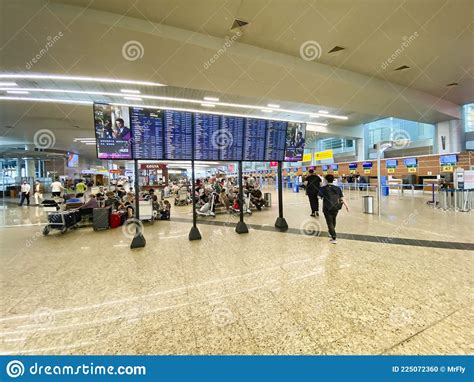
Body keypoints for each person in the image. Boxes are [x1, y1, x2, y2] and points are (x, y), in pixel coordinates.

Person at [319, 174, 349, 244]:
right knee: (333, 220)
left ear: (325, 180)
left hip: (327, 207)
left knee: (329, 222)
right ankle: (331, 232)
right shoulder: (337, 188)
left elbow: (319, 197)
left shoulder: (323, 188)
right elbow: (342, 197)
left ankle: (334, 237)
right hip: (336, 207)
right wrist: (346, 206)